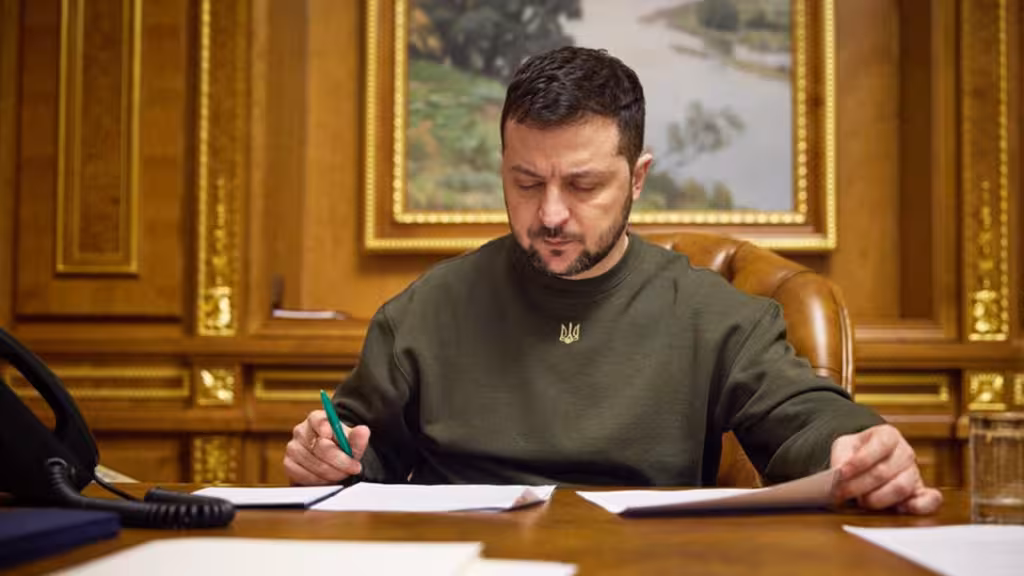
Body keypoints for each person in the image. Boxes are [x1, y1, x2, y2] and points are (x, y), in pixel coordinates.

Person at [284, 46, 941, 515]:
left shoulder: (711, 314)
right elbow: (359, 451)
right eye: (526, 182)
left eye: (583, 184)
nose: (550, 214)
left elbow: (806, 422)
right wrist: (329, 457)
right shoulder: (429, 307)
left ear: (638, 177)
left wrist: (857, 450)